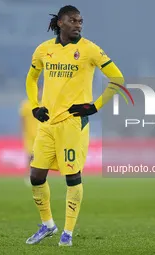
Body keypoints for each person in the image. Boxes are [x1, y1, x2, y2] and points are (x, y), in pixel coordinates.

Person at [25, 5, 125, 246]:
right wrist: (35, 106)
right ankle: (47, 224)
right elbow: (31, 78)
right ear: (60, 23)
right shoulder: (43, 50)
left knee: (72, 176)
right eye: (73, 20)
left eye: (81, 21)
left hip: (73, 123)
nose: (79, 24)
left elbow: (118, 78)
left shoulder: (89, 50)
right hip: (48, 123)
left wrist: (95, 105)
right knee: (36, 176)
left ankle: (67, 232)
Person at [19, 87, 43, 184]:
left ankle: (39, 176)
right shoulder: (26, 105)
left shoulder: (44, 104)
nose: (40, 93)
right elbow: (22, 120)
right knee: (30, 156)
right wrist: (23, 132)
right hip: (29, 135)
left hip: (41, 135)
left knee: (40, 157)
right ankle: (28, 175)